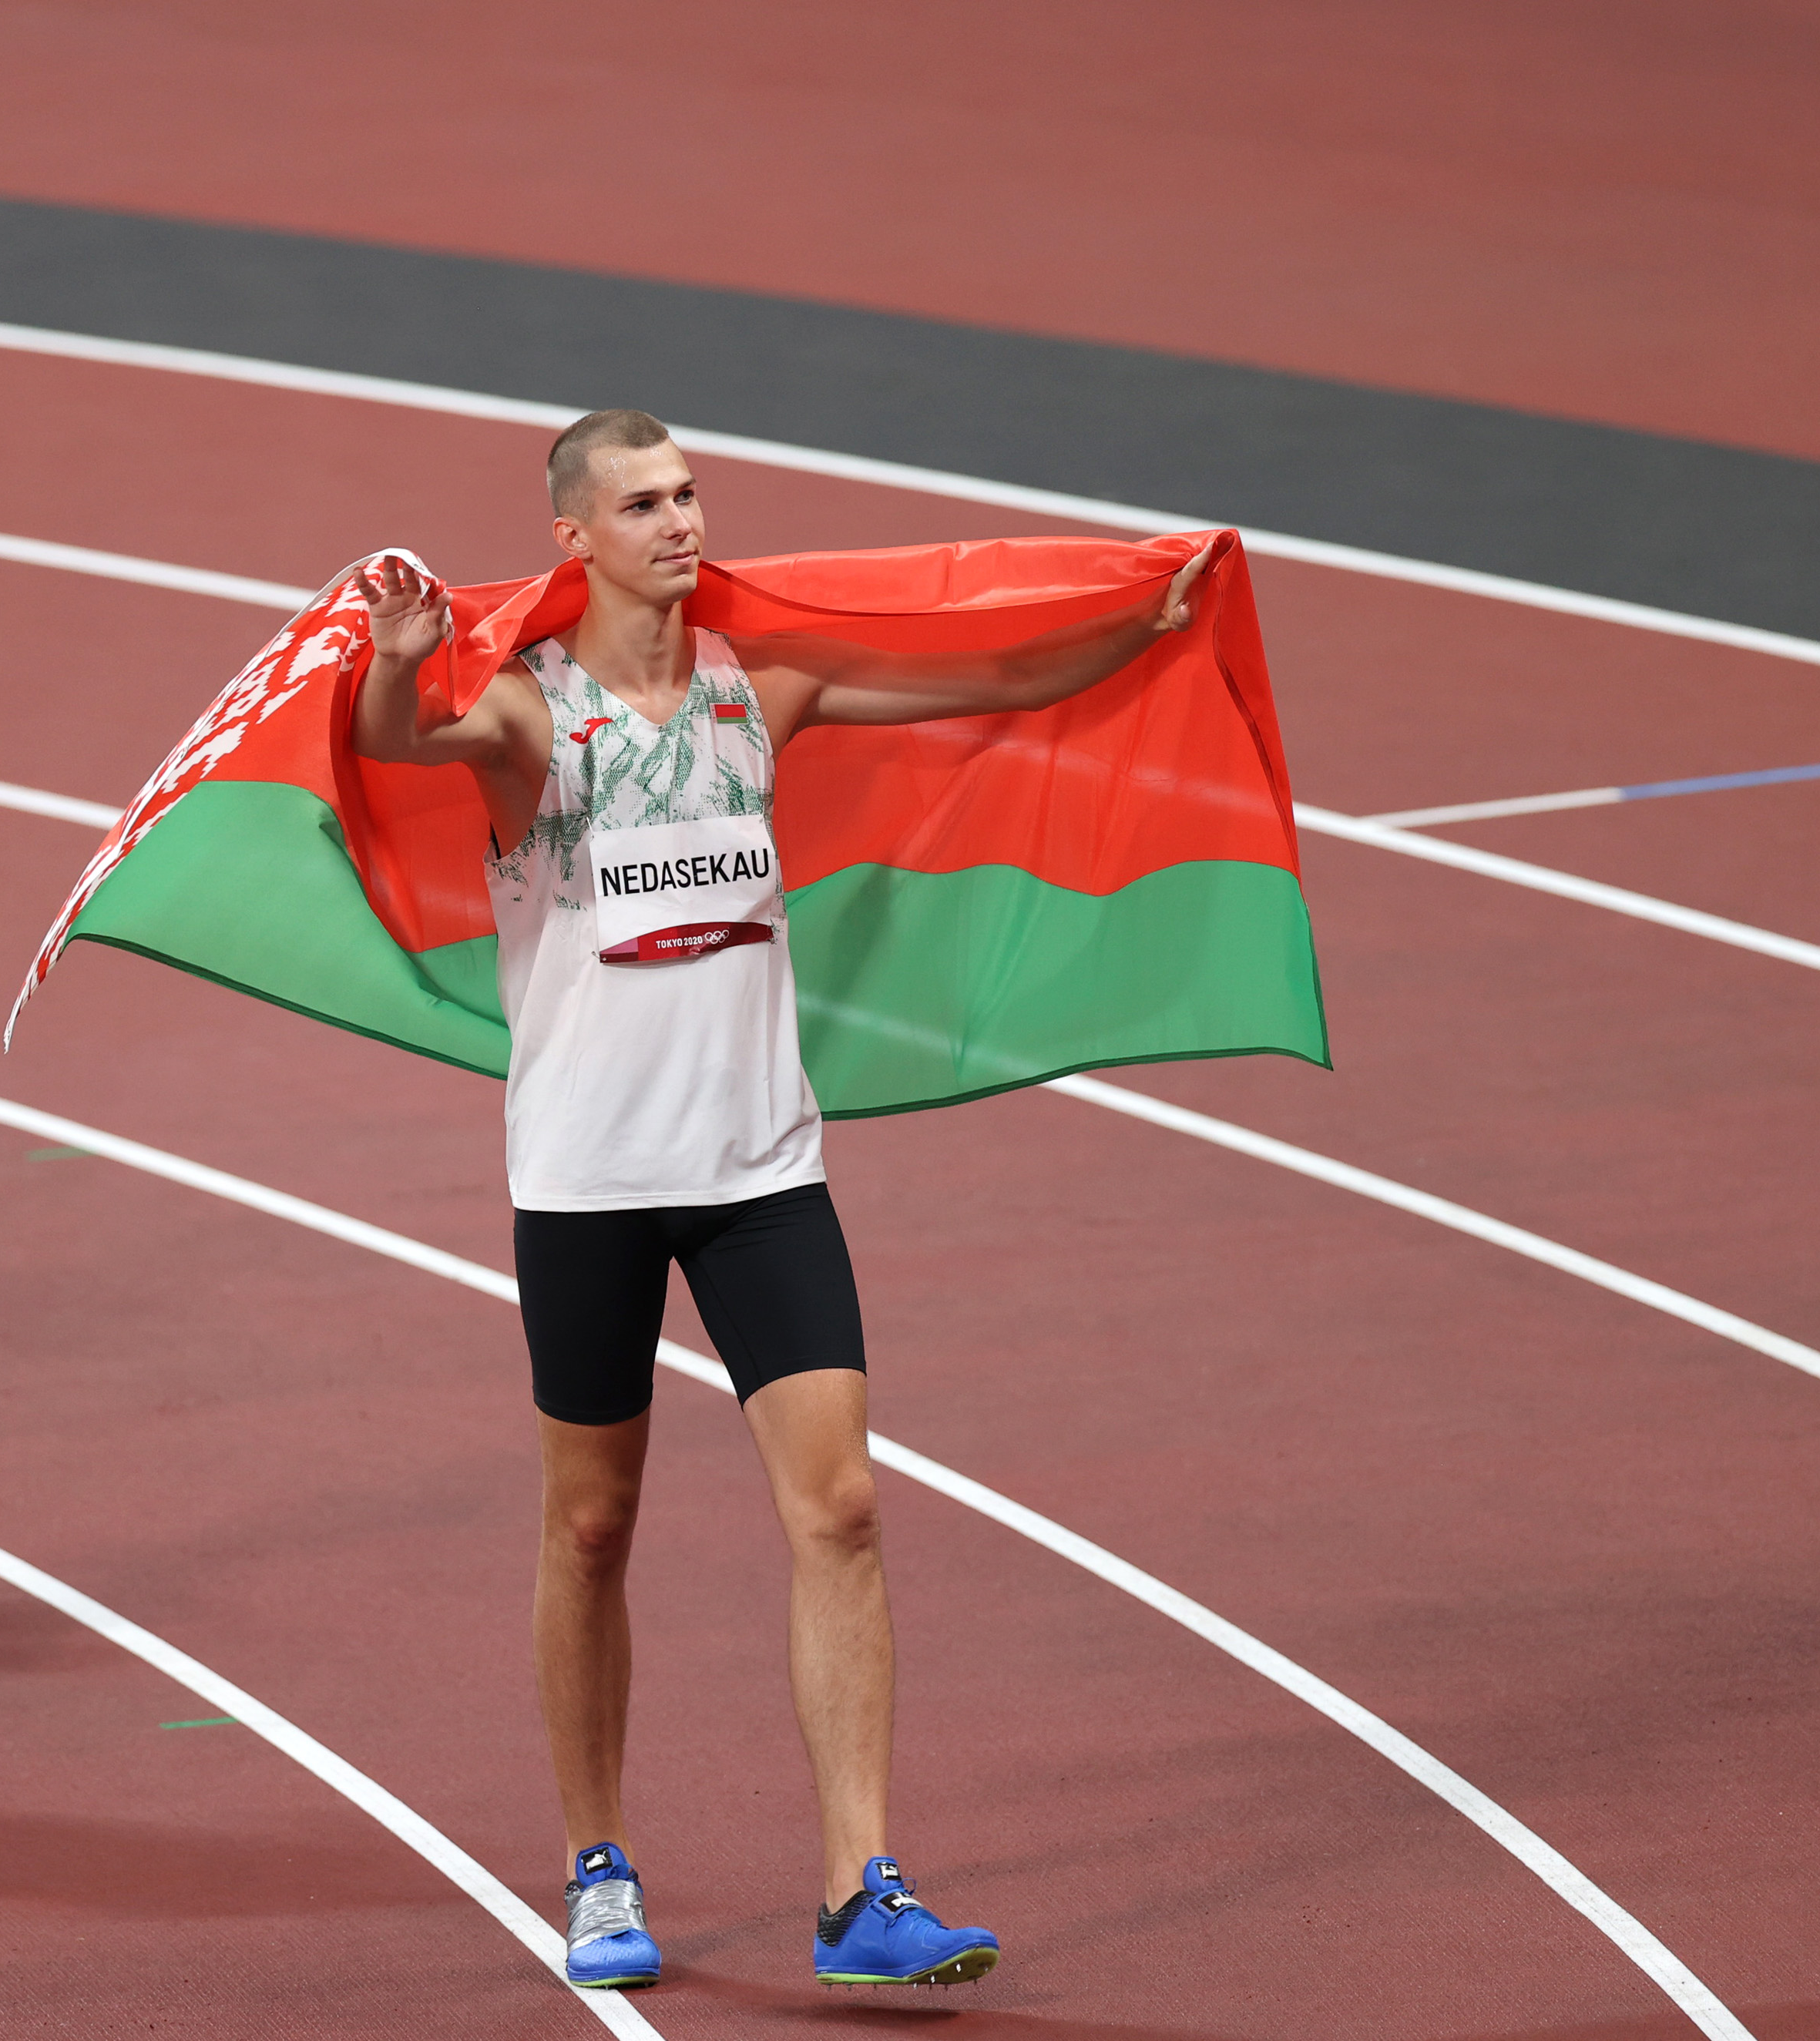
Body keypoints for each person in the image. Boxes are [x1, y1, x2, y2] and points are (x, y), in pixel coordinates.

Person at [349, 410, 1212, 1992]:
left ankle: (858, 1891)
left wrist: (1129, 621)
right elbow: (404, 740)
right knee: (590, 1526)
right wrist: (400, 665)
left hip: (761, 1171)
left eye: (688, 494)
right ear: (574, 537)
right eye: (642, 503)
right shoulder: (533, 715)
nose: (680, 522)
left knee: (844, 1508)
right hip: (590, 1180)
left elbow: (990, 681)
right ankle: (598, 1866)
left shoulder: (762, 690)